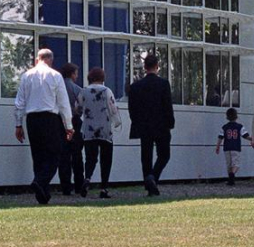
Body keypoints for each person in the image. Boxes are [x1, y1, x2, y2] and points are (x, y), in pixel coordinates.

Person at [13, 48, 73, 205]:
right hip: (49, 118)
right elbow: (63, 103)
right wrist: (69, 125)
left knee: (37, 155)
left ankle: (43, 194)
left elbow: (19, 102)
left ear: (37, 59)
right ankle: (40, 181)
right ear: (50, 60)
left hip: (32, 119)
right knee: (54, 154)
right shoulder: (55, 75)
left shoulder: (26, 76)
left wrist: (18, 124)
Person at [126, 52, 174, 196]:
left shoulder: (135, 87)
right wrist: (170, 122)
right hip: (161, 125)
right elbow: (167, 106)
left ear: (144, 67)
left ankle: (149, 181)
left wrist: (136, 122)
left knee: (146, 156)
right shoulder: (163, 84)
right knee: (164, 155)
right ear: (157, 67)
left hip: (144, 126)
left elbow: (132, 108)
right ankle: (153, 177)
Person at [79, 66, 121, 198]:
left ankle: (87, 179)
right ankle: (104, 188)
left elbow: (78, 108)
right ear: (102, 78)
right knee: (106, 159)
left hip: (89, 130)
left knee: (90, 158)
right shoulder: (106, 91)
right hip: (105, 130)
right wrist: (117, 122)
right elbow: (113, 108)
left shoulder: (84, 91)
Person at [56, 63, 88, 197]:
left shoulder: (56, 86)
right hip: (74, 121)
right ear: (72, 74)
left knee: (63, 155)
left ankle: (65, 186)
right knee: (77, 154)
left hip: (59, 121)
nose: (77, 76)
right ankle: (79, 185)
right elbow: (81, 107)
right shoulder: (77, 89)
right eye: (76, 73)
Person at [215, 107, 253, 186]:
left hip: (227, 148)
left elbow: (220, 137)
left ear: (227, 117)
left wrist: (218, 146)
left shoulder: (224, 127)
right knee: (236, 164)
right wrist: (253, 140)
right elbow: (246, 136)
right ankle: (232, 174)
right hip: (236, 148)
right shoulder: (239, 126)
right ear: (236, 116)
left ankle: (230, 179)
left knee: (229, 164)